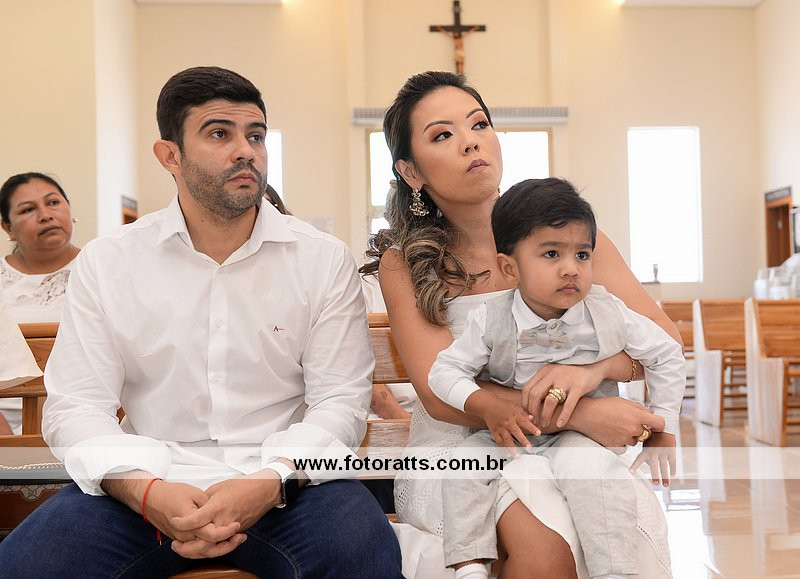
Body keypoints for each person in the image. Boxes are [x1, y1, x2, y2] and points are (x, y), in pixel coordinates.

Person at [0, 66, 401, 577]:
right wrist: (146, 491)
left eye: (255, 136)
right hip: (147, 483)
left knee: (362, 554)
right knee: (30, 564)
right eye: (219, 134)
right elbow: (76, 405)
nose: (245, 151)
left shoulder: (320, 259)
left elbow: (339, 401)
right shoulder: (110, 262)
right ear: (170, 155)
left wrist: (270, 481)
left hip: (289, 485)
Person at [361, 70, 681, 577]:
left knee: (604, 528)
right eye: (442, 135)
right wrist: (580, 414)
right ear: (412, 171)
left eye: (479, 124)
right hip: (466, 446)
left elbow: (665, 339)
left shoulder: (573, 241)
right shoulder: (405, 264)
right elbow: (440, 395)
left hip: (582, 447)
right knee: (543, 540)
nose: (470, 142)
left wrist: (592, 373)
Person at [428, 178, 685, 579]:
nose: (571, 268)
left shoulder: (607, 311)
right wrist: (486, 404)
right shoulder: (492, 319)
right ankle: (470, 565)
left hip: (580, 435)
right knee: (465, 465)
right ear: (510, 267)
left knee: (595, 474)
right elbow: (443, 371)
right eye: (551, 254)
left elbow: (666, 352)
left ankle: (615, 572)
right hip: (511, 433)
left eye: (582, 254)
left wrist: (664, 424)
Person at [0, 172, 80, 433]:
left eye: (53, 202)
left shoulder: (102, 268)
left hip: (81, 420)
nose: (45, 215)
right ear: (7, 227)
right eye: (28, 209)